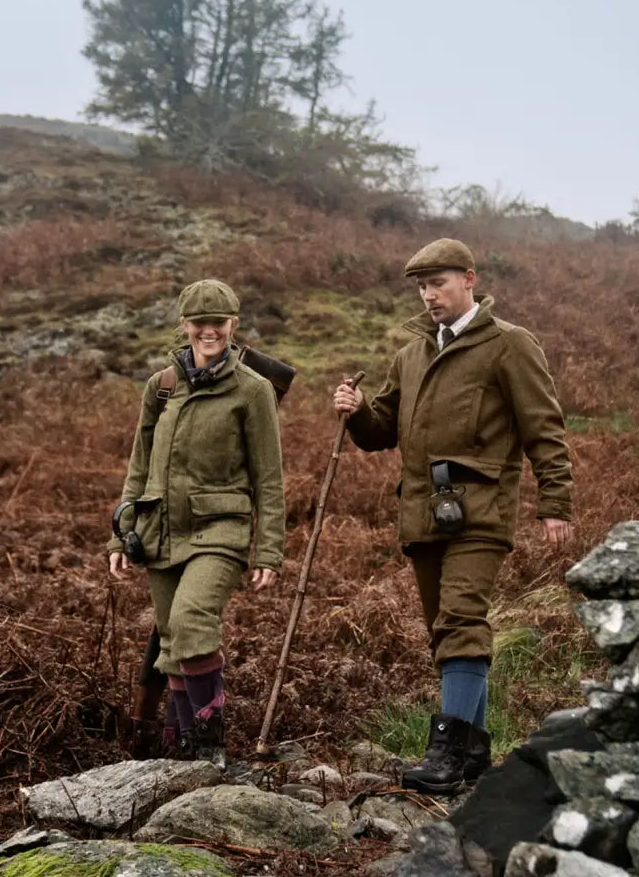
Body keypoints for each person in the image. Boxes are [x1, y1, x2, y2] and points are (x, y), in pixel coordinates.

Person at [333, 239, 574, 794]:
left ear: (469, 279)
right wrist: (355, 412)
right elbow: (380, 432)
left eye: (438, 283)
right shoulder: (411, 354)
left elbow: (545, 428)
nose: (428, 295)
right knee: (446, 634)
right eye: (421, 286)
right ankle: (472, 754)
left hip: (481, 512)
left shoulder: (509, 346)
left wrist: (555, 503)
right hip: (421, 515)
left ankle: (444, 752)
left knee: (462, 621)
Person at [109, 279, 285, 767]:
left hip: (220, 531)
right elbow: (138, 466)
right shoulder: (161, 386)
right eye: (199, 322)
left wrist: (268, 550)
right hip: (158, 531)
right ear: (185, 325)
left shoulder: (253, 390)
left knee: (191, 622)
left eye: (218, 322)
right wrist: (120, 534)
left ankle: (209, 743)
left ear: (233, 325)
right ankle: (183, 745)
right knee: (170, 640)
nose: (209, 331)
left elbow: (269, 478)